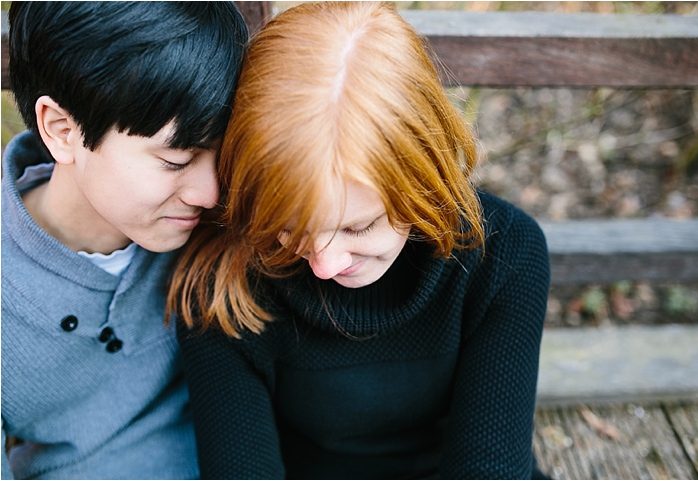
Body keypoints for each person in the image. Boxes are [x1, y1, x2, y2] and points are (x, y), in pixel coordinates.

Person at [170, 2, 550, 479]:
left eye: (358, 227)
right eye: (288, 227)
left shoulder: (504, 254)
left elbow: (490, 469)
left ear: (423, 178)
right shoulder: (223, 283)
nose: (324, 264)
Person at [1, 2, 248, 479]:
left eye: (220, 154)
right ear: (63, 130)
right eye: (176, 160)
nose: (210, 193)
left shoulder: (219, 222)